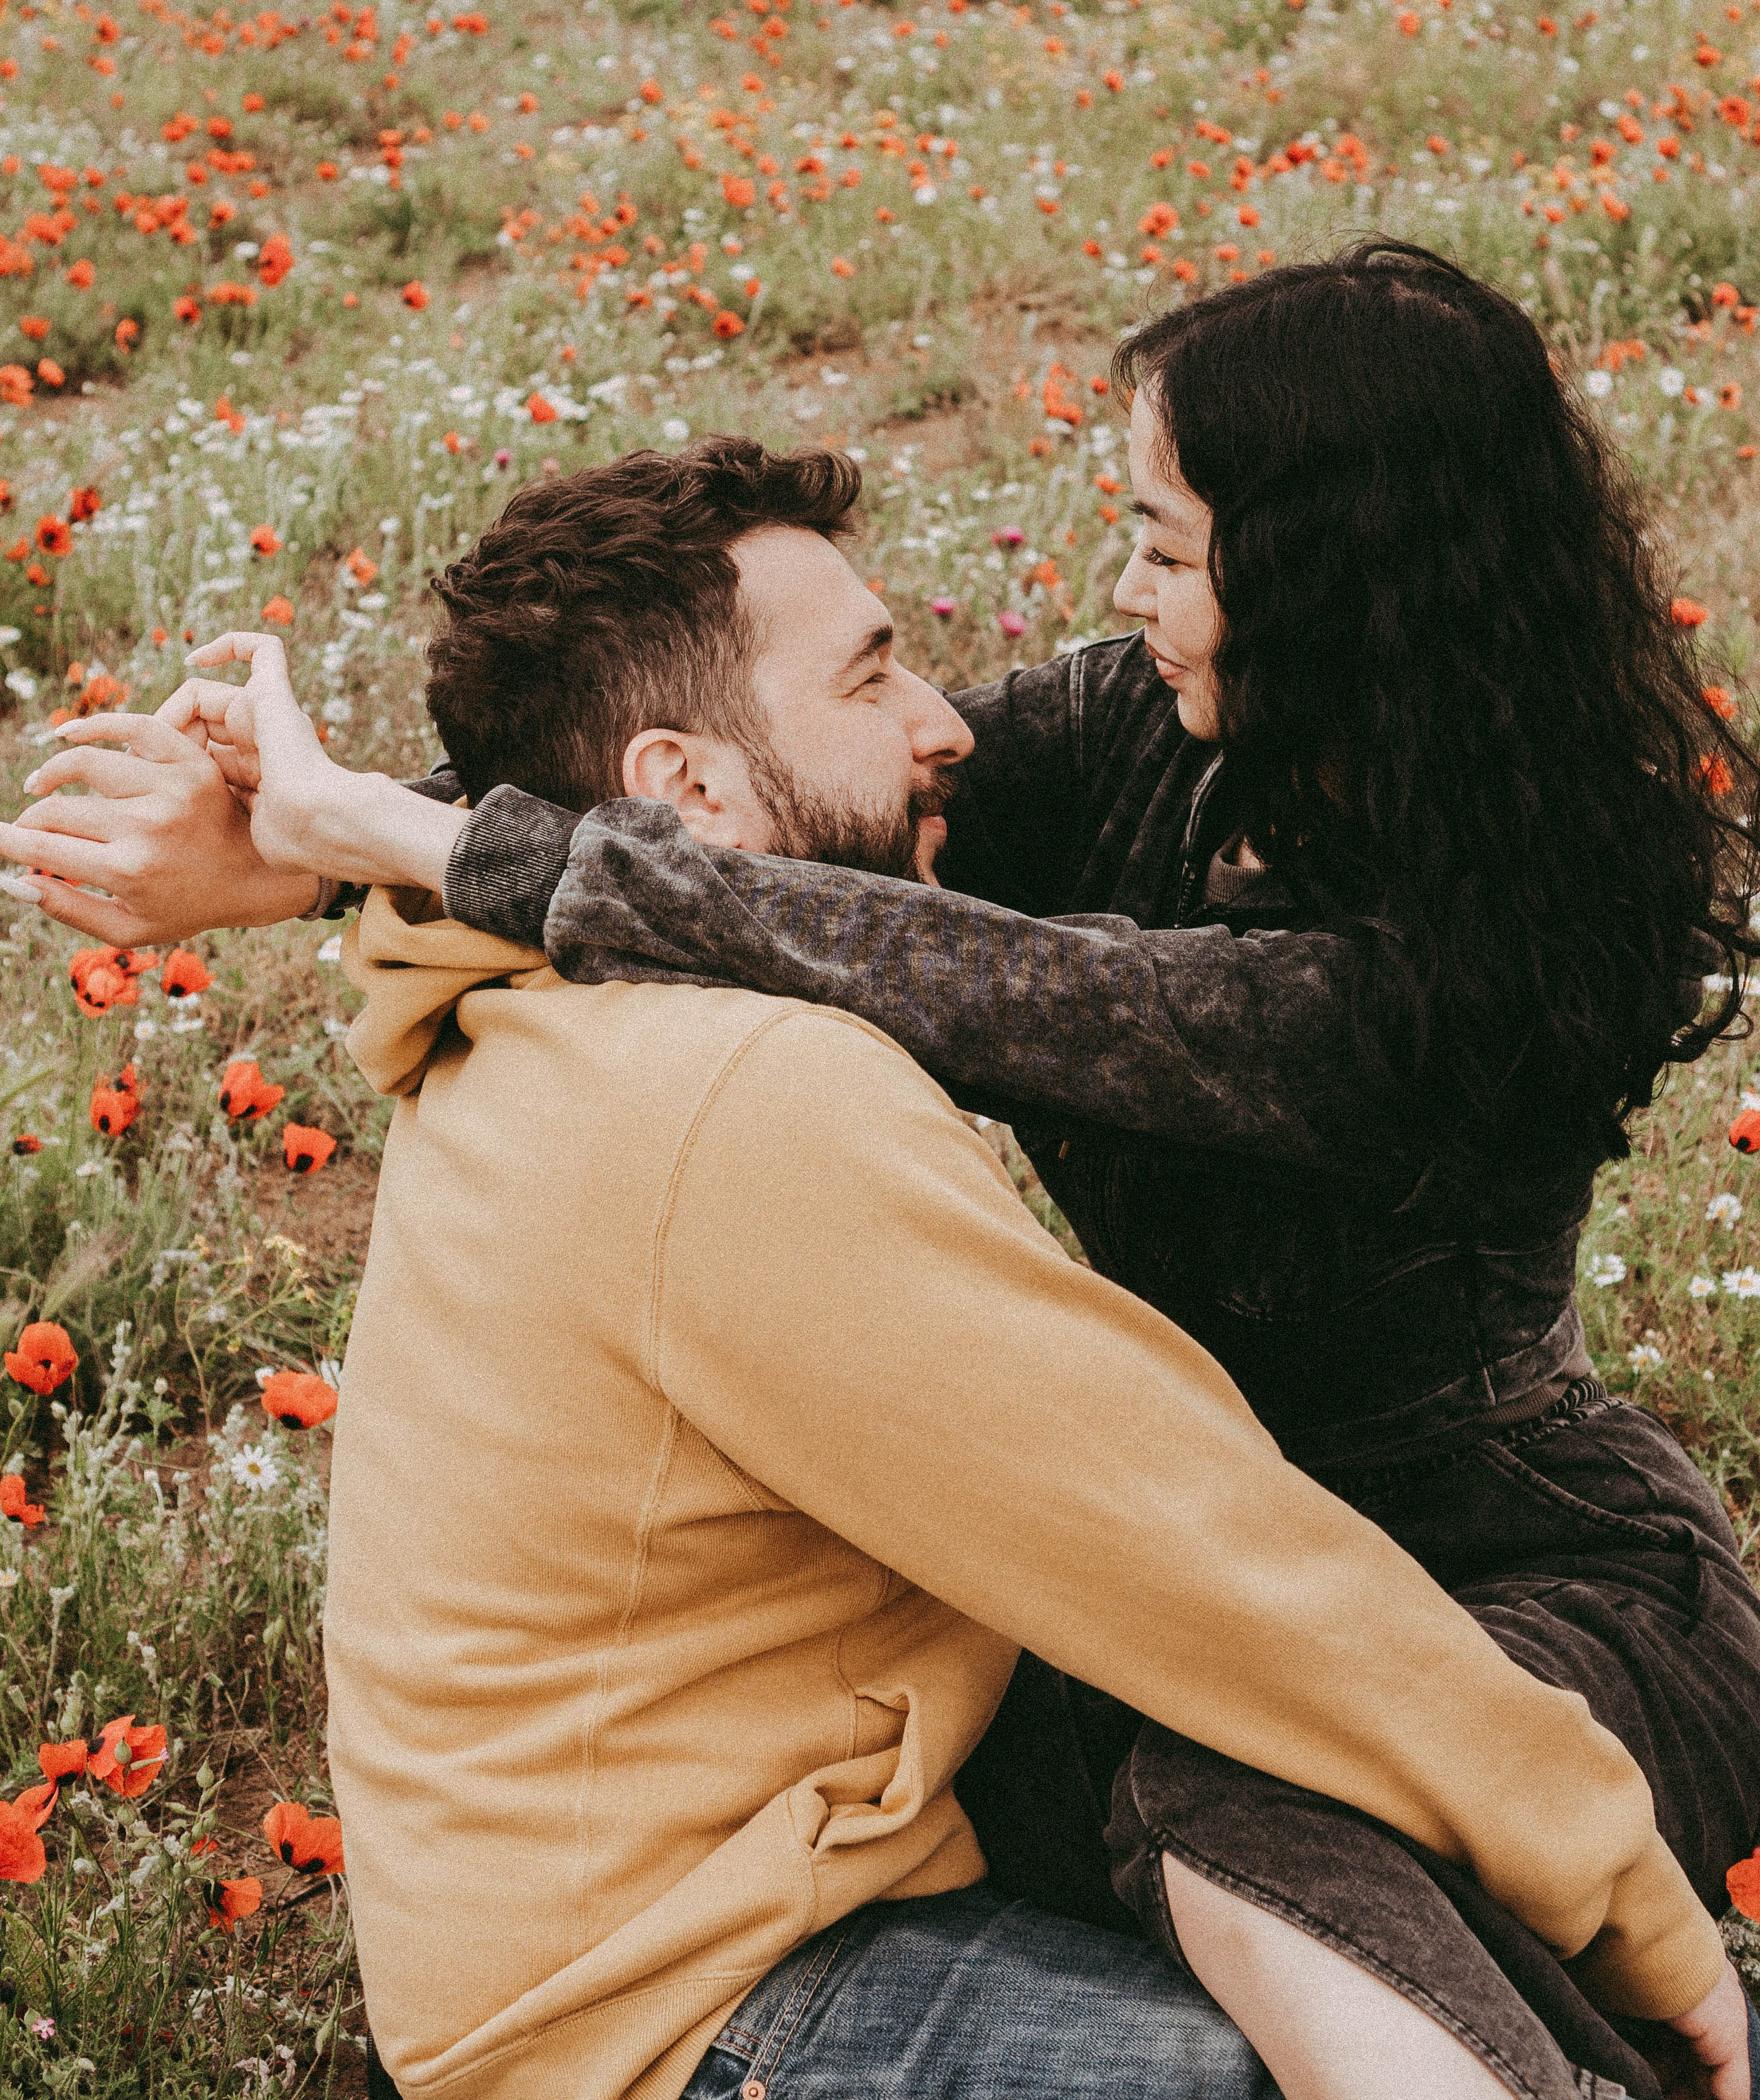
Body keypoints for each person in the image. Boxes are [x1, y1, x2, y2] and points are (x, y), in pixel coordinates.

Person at [0, 430, 1748, 2100]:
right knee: (1381, 2035)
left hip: (643, 1912)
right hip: (685, 2014)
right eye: (871, 676)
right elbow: (1194, 1546)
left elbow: (615, 830)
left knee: (1364, 1938)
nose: (944, 724)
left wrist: (340, 837)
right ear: (674, 796)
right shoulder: (741, 1098)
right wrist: (1638, 1910)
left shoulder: (564, 1007)